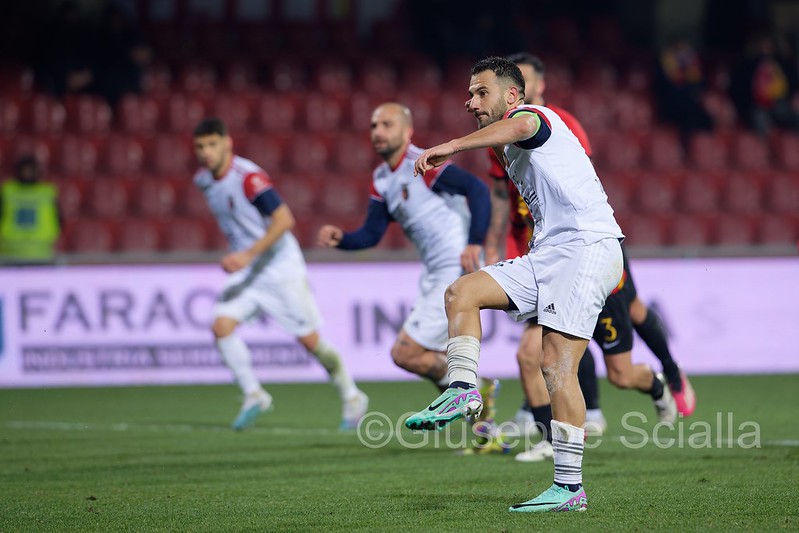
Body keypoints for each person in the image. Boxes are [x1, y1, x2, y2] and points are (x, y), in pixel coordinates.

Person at [408, 56, 624, 513]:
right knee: (462, 293)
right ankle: (462, 389)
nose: (470, 102)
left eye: (480, 92)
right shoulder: (503, 147)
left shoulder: (534, 117)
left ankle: (569, 488)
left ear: (511, 95)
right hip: (548, 253)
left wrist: (452, 145)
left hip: (587, 246)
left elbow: (522, 126)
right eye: (469, 94)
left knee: (556, 365)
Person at [486, 53, 694, 463]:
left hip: (590, 248)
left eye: (522, 83)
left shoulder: (557, 123)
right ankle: (556, 433)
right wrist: (498, 241)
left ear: (535, 87)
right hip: (547, 256)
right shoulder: (498, 138)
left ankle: (662, 378)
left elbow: (579, 185)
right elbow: (503, 194)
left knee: (623, 359)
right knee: (537, 352)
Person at [192, 117, 368, 431]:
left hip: (279, 268)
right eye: (201, 146)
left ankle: (352, 396)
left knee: (311, 342)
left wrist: (247, 254)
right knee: (221, 325)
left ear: (227, 143)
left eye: (212, 144)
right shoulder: (204, 181)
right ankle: (254, 395)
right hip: (250, 272)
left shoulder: (248, 178)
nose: (207, 152)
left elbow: (285, 220)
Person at [317, 103, 497, 408]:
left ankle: (476, 389)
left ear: (407, 131)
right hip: (433, 274)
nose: (378, 132)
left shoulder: (422, 163)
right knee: (428, 356)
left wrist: (474, 242)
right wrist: (342, 240)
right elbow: (371, 234)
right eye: (374, 126)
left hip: (455, 267)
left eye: (387, 125)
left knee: (406, 353)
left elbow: (477, 189)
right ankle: (481, 421)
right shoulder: (382, 179)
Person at [0, 155, 61, 265]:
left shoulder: (47, 193)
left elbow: (59, 220)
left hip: (42, 256)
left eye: (30, 170)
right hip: (10, 256)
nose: (27, 173)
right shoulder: (7, 191)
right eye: (25, 170)